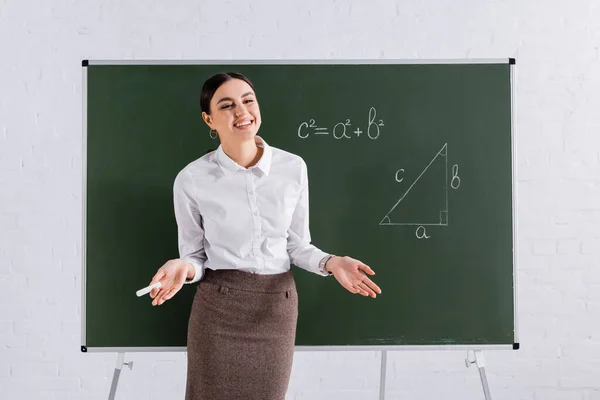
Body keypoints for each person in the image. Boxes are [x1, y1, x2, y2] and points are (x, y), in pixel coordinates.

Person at [147, 72, 382, 400]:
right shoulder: (192, 179)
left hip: (277, 308)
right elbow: (195, 257)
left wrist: (331, 262)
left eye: (248, 101)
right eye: (227, 105)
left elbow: (297, 244)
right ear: (209, 119)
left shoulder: (293, 168)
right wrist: (181, 267)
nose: (241, 111)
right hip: (218, 311)